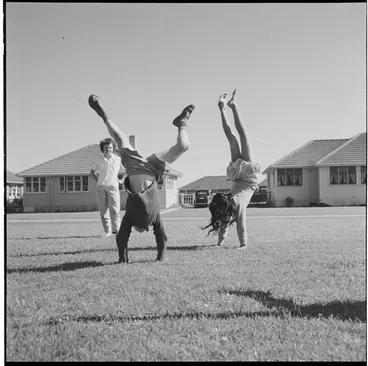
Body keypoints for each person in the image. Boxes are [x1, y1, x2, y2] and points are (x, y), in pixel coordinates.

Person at [88, 94, 195, 263]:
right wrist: (160, 258)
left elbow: (125, 238)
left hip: (134, 167)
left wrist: (123, 260)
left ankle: (103, 115)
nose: (137, 230)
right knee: (183, 146)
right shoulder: (154, 217)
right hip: (153, 170)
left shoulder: (131, 217)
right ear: (145, 228)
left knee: (121, 139)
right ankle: (181, 122)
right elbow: (160, 237)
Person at [201, 89, 261, 249]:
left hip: (246, 176)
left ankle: (230, 107)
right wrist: (225, 243)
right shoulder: (229, 202)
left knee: (240, 137)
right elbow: (229, 222)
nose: (221, 215)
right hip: (239, 175)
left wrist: (241, 244)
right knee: (234, 138)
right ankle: (224, 108)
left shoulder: (233, 205)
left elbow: (235, 223)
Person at [90, 137, 122, 237]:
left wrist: (122, 180)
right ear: (102, 148)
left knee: (115, 210)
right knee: (103, 212)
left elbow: (129, 169)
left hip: (113, 188)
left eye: (110, 147)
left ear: (113, 148)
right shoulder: (99, 160)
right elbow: (92, 172)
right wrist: (98, 181)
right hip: (101, 188)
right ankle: (107, 232)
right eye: (106, 148)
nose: (108, 149)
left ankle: (116, 231)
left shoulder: (118, 159)